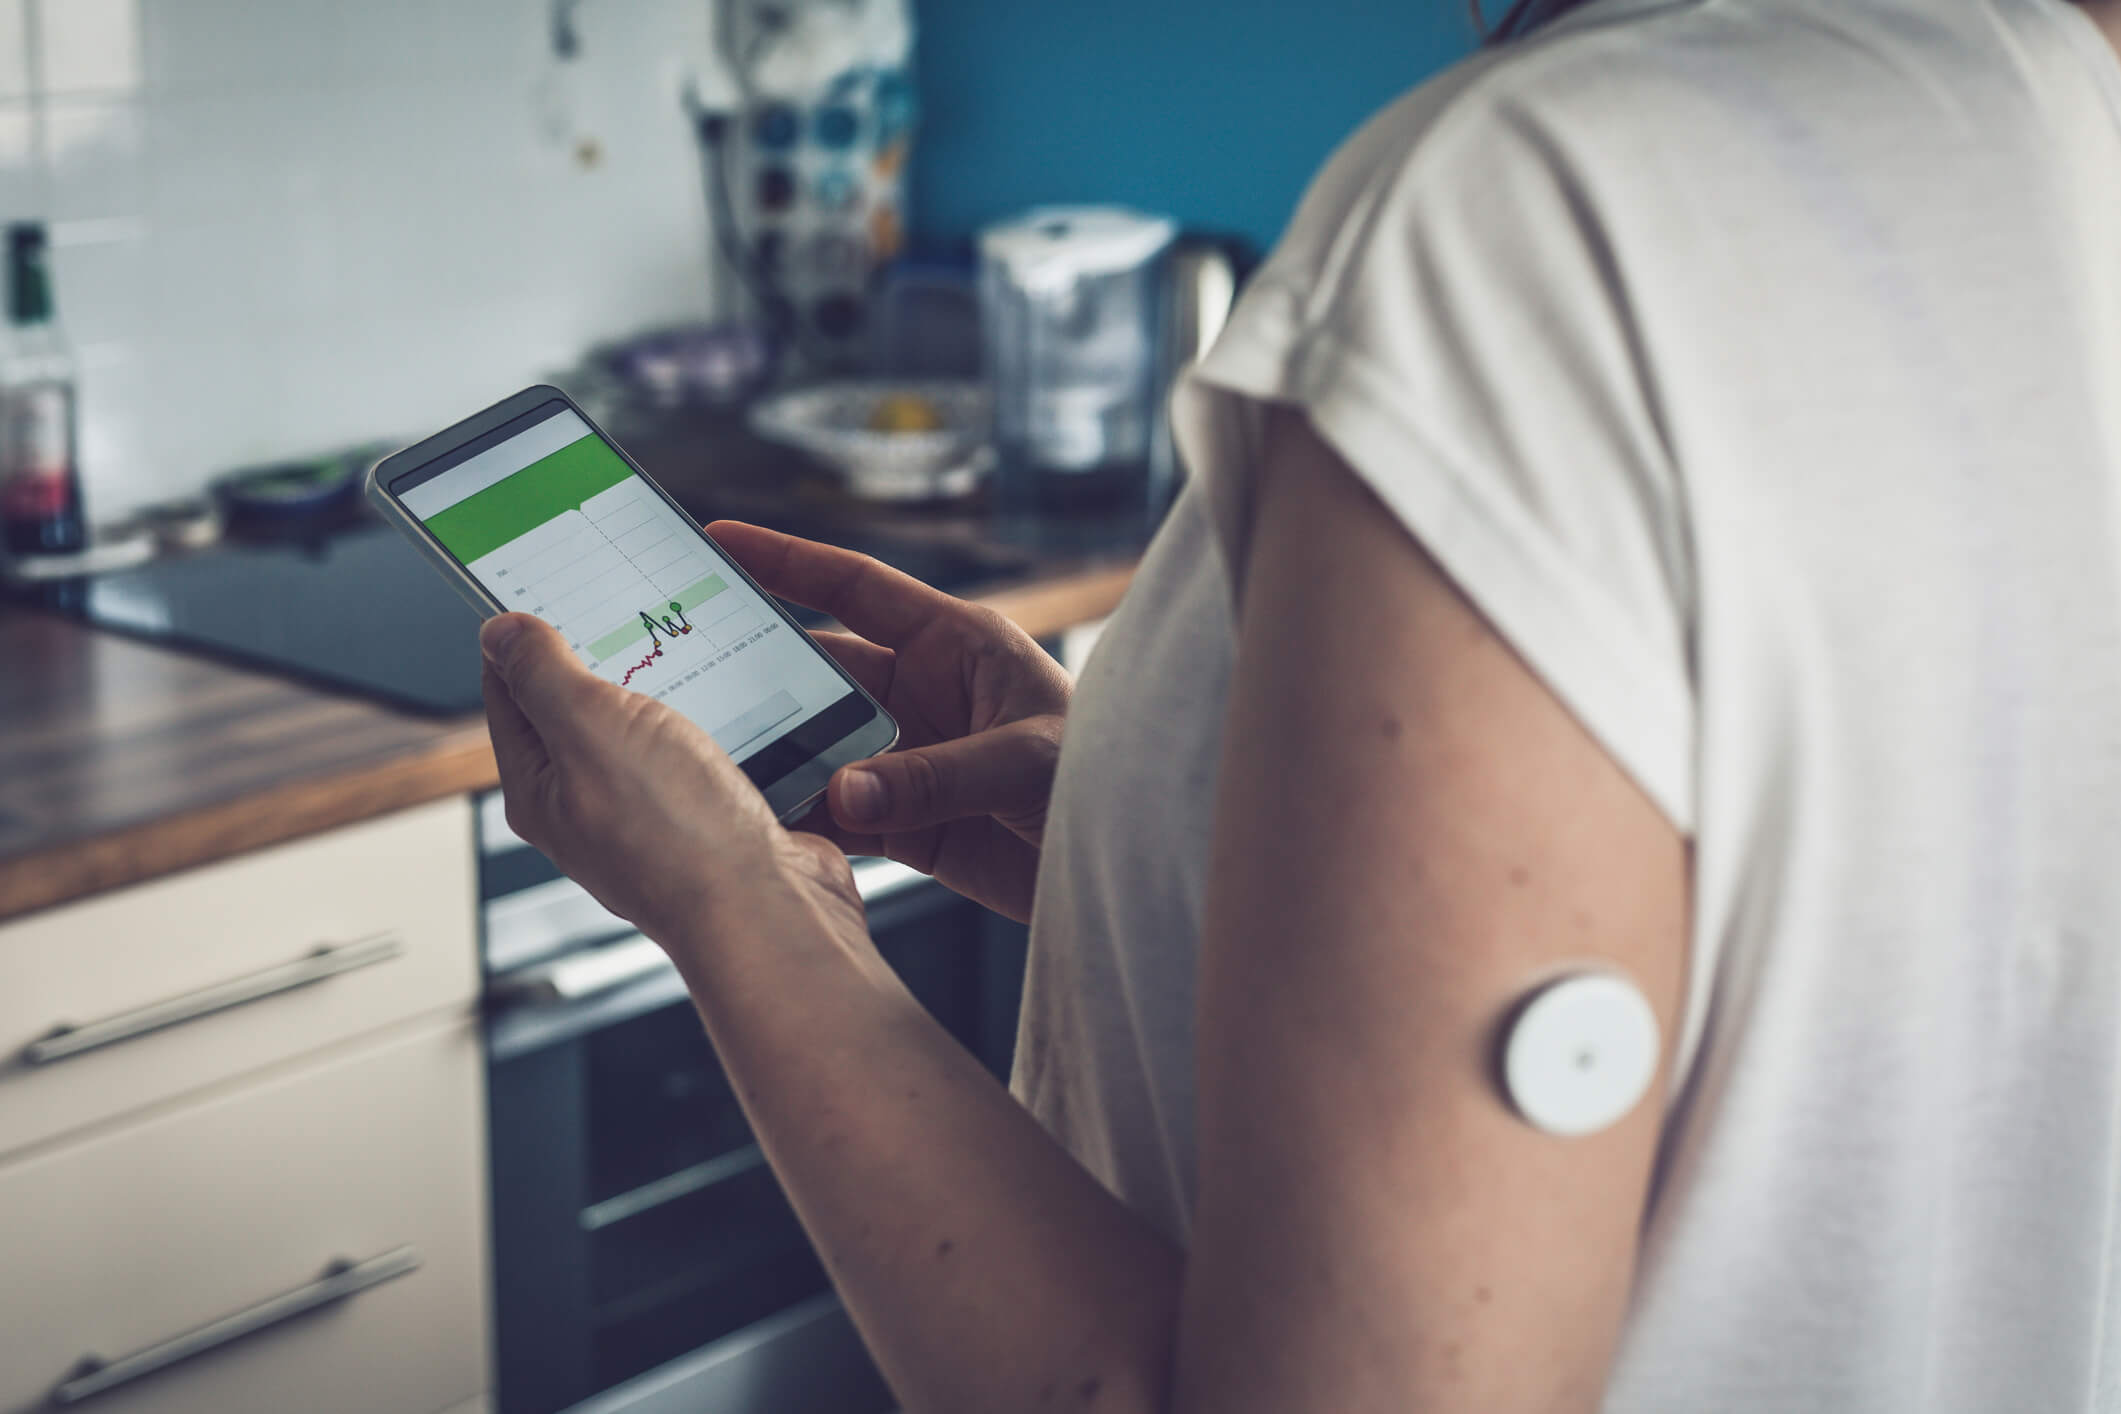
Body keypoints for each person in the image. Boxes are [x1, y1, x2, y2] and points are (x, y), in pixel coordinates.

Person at [476, 0, 2121, 1407]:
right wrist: (1155, 828)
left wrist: (745, 906)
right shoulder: (2044, 112)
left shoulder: (1545, 211)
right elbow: (1850, 983)